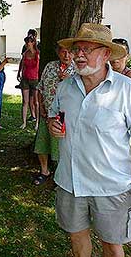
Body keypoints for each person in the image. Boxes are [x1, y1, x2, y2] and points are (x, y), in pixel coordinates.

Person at [48, 23, 131, 257]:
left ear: (106, 54)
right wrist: (53, 125)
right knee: (77, 238)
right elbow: (54, 117)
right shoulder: (65, 87)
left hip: (111, 186)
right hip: (70, 182)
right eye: (76, 50)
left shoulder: (127, 90)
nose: (79, 55)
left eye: (87, 49)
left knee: (112, 246)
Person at [32, 45, 75, 186]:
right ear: (58, 52)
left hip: (64, 116)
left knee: (62, 146)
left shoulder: (78, 70)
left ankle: (62, 175)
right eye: (63, 51)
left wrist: (70, 80)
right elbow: (40, 88)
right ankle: (44, 171)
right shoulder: (50, 66)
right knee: (42, 143)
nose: (66, 55)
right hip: (46, 113)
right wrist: (40, 106)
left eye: (69, 52)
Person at [17, 35, 40, 129]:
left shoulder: (37, 54)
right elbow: (22, 65)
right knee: (25, 101)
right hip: (25, 79)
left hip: (35, 79)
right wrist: (19, 73)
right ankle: (24, 122)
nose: (27, 44)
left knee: (36, 102)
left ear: (33, 43)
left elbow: (38, 67)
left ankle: (37, 122)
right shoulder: (25, 54)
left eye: (28, 42)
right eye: (26, 42)